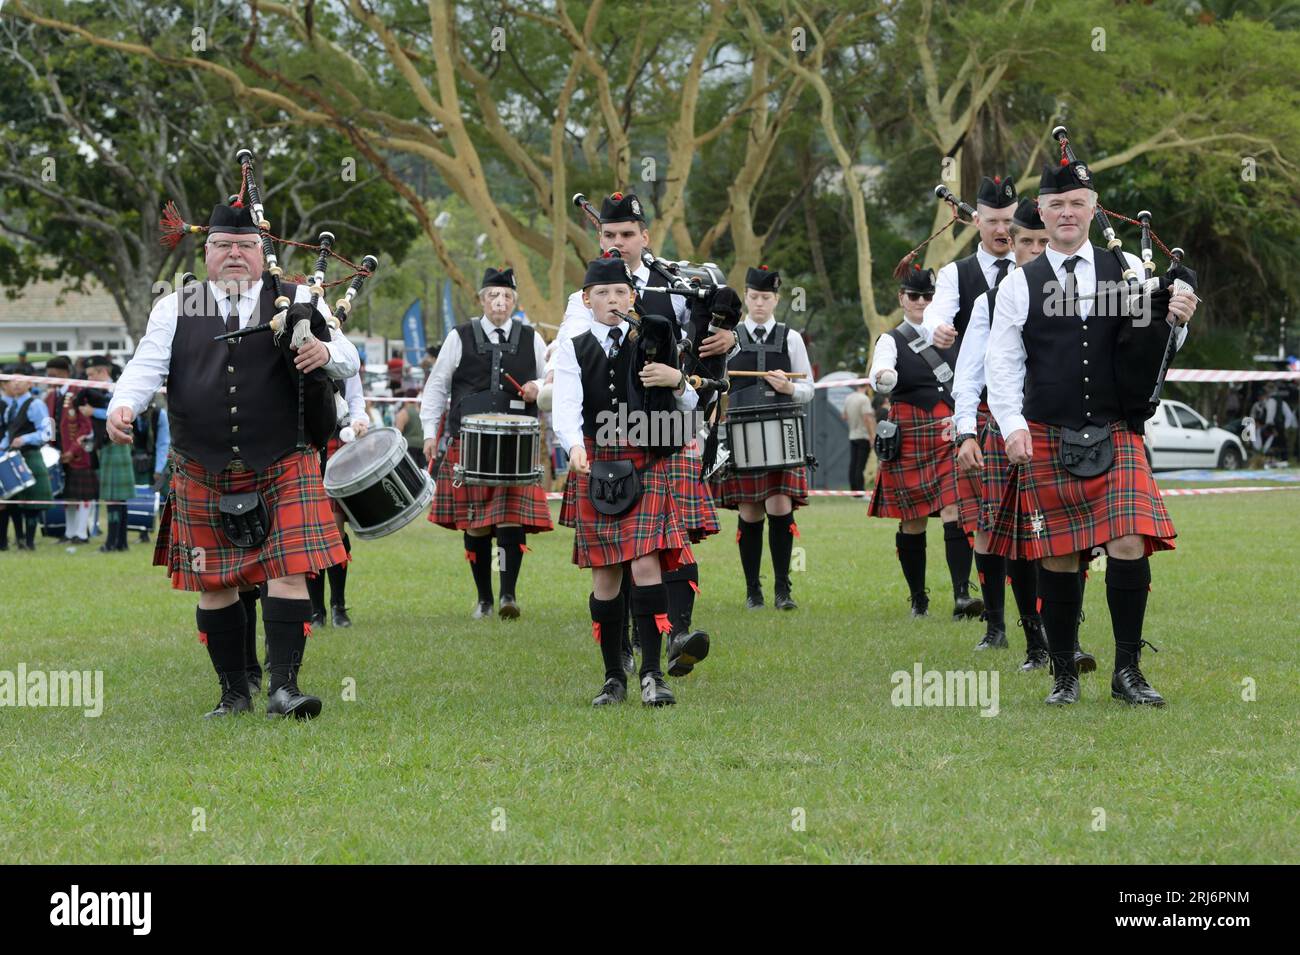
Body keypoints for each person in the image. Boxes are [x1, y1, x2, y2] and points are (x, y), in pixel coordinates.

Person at [106, 198, 359, 720]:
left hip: (283, 460)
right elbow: (146, 365)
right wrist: (123, 405)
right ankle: (233, 693)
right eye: (224, 246)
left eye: (246, 246)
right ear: (207, 252)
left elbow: (350, 359)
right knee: (214, 581)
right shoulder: (176, 306)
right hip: (202, 463)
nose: (236, 255)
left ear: (261, 250)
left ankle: (285, 689)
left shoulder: (298, 297)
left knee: (288, 573)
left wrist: (326, 354)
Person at [985, 160, 1198, 706]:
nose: (1066, 213)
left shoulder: (1125, 267)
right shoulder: (1018, 284)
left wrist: (1178, 315)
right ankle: (1064, 674)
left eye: (1077, 203)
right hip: (1048, 429)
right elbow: (1002, 363)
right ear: (1042, 211)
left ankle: (1127, 672)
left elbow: (1154, 344)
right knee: (1058, 555)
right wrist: (1010, 426)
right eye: (1056, 204)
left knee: (1128, 541)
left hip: (1114, 427)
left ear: (1092, 207)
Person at [546, 192, 735, 676]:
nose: (619, 243)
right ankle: (636, 646)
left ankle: (677, 635)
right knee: (632, 547)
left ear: (644, 237)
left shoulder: (675, 284)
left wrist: (727, 340)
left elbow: (706, 337)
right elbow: (571, 349)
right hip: (615, 432)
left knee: (669, 537)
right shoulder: (584, 297)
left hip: (672, 422)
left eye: (627, 235)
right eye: (609, 235)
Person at [552, 255, 698, 707]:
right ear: (586, 299)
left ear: (631, 296)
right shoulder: (574, 346)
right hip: (597, 460)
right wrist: (573, 444)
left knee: (646, 565)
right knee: (606, 575)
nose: (611, 300)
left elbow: (690, 402)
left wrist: (676, 379)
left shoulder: (654, 337)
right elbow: (566, 401)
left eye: (619, 292)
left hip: (645, 455)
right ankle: (614, 677)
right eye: (602, 293)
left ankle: (653, 675)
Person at [421, 267, 552, 619]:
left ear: (514, 302)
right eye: (493, 295)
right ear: (481, 300)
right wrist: (429, 433)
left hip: (517, 445)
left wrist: (538, 388)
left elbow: (552, 378)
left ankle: (508, 595)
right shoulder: (459, 336)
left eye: (507, 296)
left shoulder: (532, 338)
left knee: (511, 520)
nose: (500, 301)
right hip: (469, 441)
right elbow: (437, 386)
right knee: (476, 521)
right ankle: (484, 599)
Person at [868, 264, 984, 621]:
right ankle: (918, 598)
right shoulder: (891, 339)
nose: (921, 301)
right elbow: (880, 373)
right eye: (914, 295)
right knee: (913, 520)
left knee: (956, 510)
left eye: (928, 296)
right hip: (911, 431)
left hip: (950, 432)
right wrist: (883, 376)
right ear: (902, 298)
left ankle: (962, 596)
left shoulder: (952, 334)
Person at [712, 265, 813, 611]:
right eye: (753, 297)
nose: (759, 304)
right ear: (746, 298)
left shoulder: (791, 338)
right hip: (742, 431)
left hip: (781, 432)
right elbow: (713, 386)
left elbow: (809, 389)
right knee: (751, 511)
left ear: (776, 300)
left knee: (780, 505)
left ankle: (783, 590)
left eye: (765, 298)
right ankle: (753, 590)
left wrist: (789, 387)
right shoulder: (729, 337)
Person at [306, 369, 370, 628]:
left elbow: (356, 399)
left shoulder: (345, 354)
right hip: (306, 443)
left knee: (333, 527)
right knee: (310, 531)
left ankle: (338, 607)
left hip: (338, 443)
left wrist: (359, 420)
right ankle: (315, 610)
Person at [1, 367, 55, 551]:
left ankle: (30, 543)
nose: (15, 383)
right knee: (15, 500)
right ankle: (20, 539)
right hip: (13, 457)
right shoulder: (10, 408)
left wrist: (25, 439)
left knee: (31, 502)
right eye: (12, 380)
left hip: (31, 455)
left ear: (30, 383)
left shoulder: (36, 404)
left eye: (20, 379)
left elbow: (48, 432)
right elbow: (10, 433)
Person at [84, 356, 134, 552]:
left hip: (116, 446)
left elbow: (117, 413)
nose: (87, 379)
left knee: (115, 498)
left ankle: (113, 542)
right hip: (107, 446)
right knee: (116, 498)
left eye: (90, 375)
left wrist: (92, 411)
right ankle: (120, 542)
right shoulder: (99, 390)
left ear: (102, 372)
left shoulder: (115, 389)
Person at [843, 381, 875, 496]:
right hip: (863, 435)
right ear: (866, 385)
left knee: (853, 464)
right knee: (860, 466)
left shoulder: (849, 398)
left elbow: (844, 416)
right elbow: (867, 418)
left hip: (852, 435)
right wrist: (872, 436)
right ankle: (860, 492)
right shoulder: (864, 399)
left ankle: (853, 491)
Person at [395, 389, 425, 470]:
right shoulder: (421, 411)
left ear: (405, 398)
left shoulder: (403, 413)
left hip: (409, 447)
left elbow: (398, 432)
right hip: (422, 445)